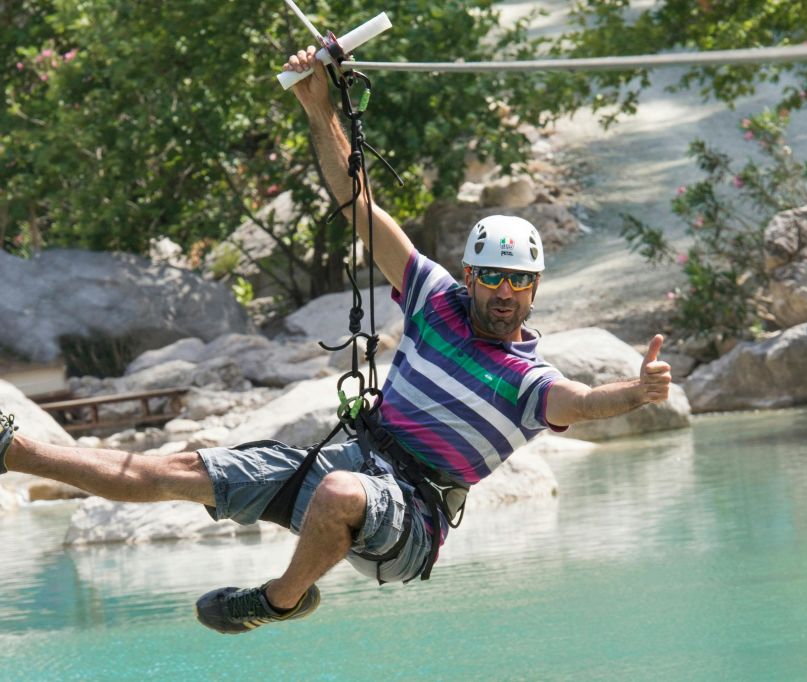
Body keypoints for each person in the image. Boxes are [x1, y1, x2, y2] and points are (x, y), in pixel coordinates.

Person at [0, 46, 673, 635]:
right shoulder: (435, 298)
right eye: (492, 277)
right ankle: (15, 449)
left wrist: (637, 393)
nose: (504, 292)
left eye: (519, 282)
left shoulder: (527, 382)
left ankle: (281, 600)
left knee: (343, 494)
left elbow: (583, 401)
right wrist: (318, 108)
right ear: (469, 274)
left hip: (413, 517)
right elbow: (358, 207)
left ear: (535, 288)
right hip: (349, 457)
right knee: (175, 470)